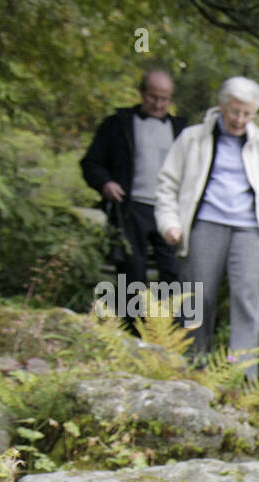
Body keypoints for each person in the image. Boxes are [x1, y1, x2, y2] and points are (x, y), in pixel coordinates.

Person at [154, 76, 259, 380]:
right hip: (205, 224)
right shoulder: (192, 139)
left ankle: (242, 374)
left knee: (246, 297)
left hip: (249, 229)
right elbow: (167, 185)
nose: (240, 120)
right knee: (196, 296)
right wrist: (170, 223)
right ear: (222, 106)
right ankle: (193, 367)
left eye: (247, 114)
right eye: (235, 112)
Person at [80, 69, 188, 322]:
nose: (159, 104)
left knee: (173, 270)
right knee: (131, 272)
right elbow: (91, 163)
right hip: (130, 208)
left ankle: (172, 331)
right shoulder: (117, 125)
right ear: (141, 93)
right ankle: (131, 333)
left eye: (165, 99)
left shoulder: (183, 131)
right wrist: (105, 183)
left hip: (170, 210)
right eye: (153, 97)